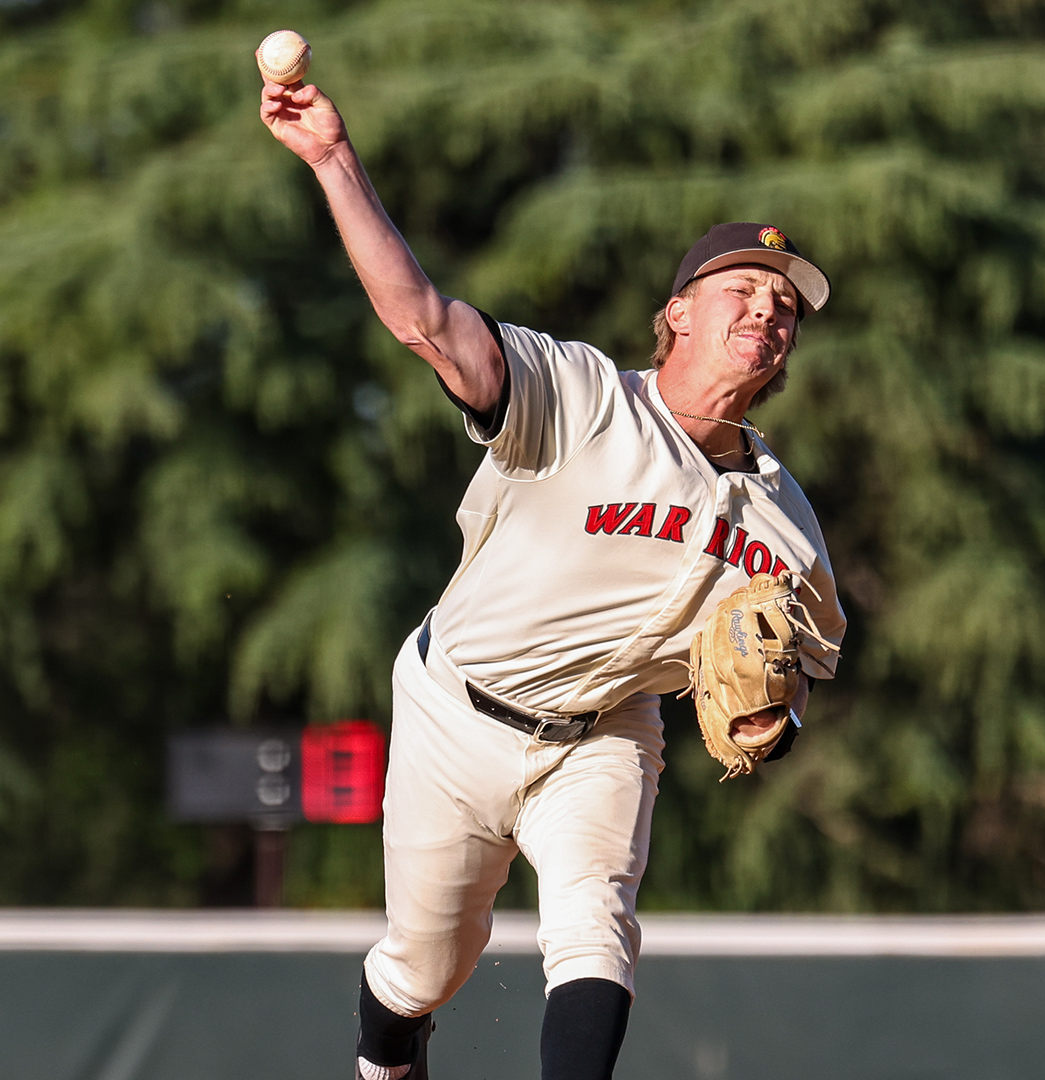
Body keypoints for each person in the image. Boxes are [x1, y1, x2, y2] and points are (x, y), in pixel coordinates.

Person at [261, 71, 846, 1080]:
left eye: (786, 303)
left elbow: (812, 671)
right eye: (742, 290)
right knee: (422, 971)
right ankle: (384, 1057)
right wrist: (333, 160)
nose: (770, 308)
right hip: (458, 710)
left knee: (596, 929)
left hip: (604, 740)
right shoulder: (578, 397)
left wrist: (774, 719)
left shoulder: (787, 521)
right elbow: (425, 323)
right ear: (678, 315)